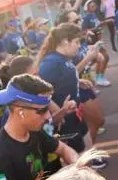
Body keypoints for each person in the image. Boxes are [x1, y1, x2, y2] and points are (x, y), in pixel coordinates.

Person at [37, 23, 105, 166]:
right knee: (77, 161)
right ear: (64, 42)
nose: (79, 46)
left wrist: (77, 81)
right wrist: (58, 111)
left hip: (76, 113)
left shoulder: (63, 58)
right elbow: (40, 91)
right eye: (76, 42)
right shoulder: (51, 63)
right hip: (66, 119)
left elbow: (61, 79)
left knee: (87, 146)